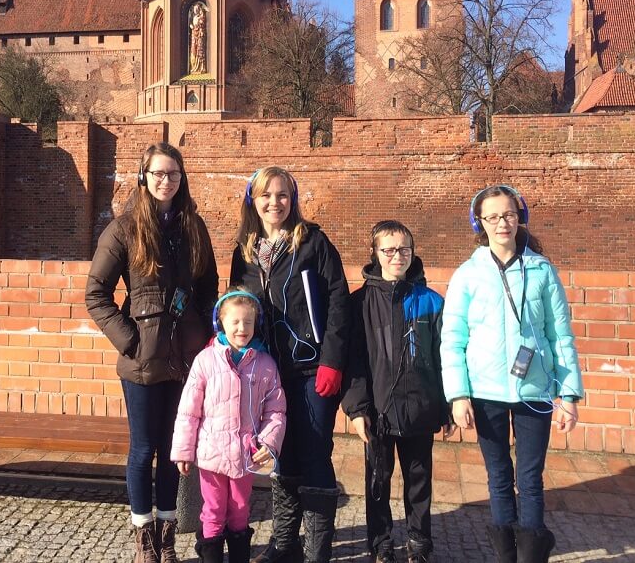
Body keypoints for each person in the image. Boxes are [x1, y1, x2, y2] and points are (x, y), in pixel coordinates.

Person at [86, 142, 219, 563]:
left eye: (173, 174)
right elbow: (96, 294)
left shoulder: (192, 226)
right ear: (143, 177)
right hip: (142, 361)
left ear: (182, 178)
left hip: (185, 360)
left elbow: (209, 284)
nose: (166, 181)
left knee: (172, 449)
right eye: (159, 173)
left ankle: (167, 538)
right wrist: (131, 341)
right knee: (144, 450)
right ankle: (144, 537)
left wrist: (201, 329)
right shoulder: (124, 228)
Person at [441, 185, 583, 563]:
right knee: (499, 477)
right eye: (493, 217)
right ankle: (506, 556)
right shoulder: (468, 274)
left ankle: (531, 556)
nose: (502, 223)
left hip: (534, 389)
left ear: (520, 218)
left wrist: (568, 395)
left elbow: (561, 335)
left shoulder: (542, 270)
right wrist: (458, 395)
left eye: (508, 215)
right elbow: (452, 338)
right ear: (479, 223)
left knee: (531, 480)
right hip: (484, 391)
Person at [229, 166, 351, 563]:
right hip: (267, 371)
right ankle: (286, 545)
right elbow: (235, 307)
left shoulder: (312, 242)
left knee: (315, 452)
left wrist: (332, 358)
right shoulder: (243, 251)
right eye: (266, 195)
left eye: (282, 195)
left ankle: (318, 552)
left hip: (312, 368)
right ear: (253, 200)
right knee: (280, 455)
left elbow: (338, 300)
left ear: (292, 200)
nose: (274, 203)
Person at [342, 220, 448, 563]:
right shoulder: (358, 304)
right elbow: (353, 361)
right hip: (378, 413)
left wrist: (446, 406)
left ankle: (419, 541)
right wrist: (358, 410)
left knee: (419, 483)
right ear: (375, 254)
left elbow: (444, 355)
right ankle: (381, 543)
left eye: (404, 249)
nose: (397, 256)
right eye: (388, 249)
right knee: (377, 484)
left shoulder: (431, 301)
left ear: (413, 253)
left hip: (420, 408)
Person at [171, 289, 287, 563]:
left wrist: (269, 443)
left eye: (248, 322)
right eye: (234, 322)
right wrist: (183, 451)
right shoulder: (205, 361)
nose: (241, 328)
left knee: (239, 510)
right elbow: (188, 411)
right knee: (212, 511)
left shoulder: (266, 365)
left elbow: (276, 410)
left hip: (244, 457)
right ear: (220, 322)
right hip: (211, 456)